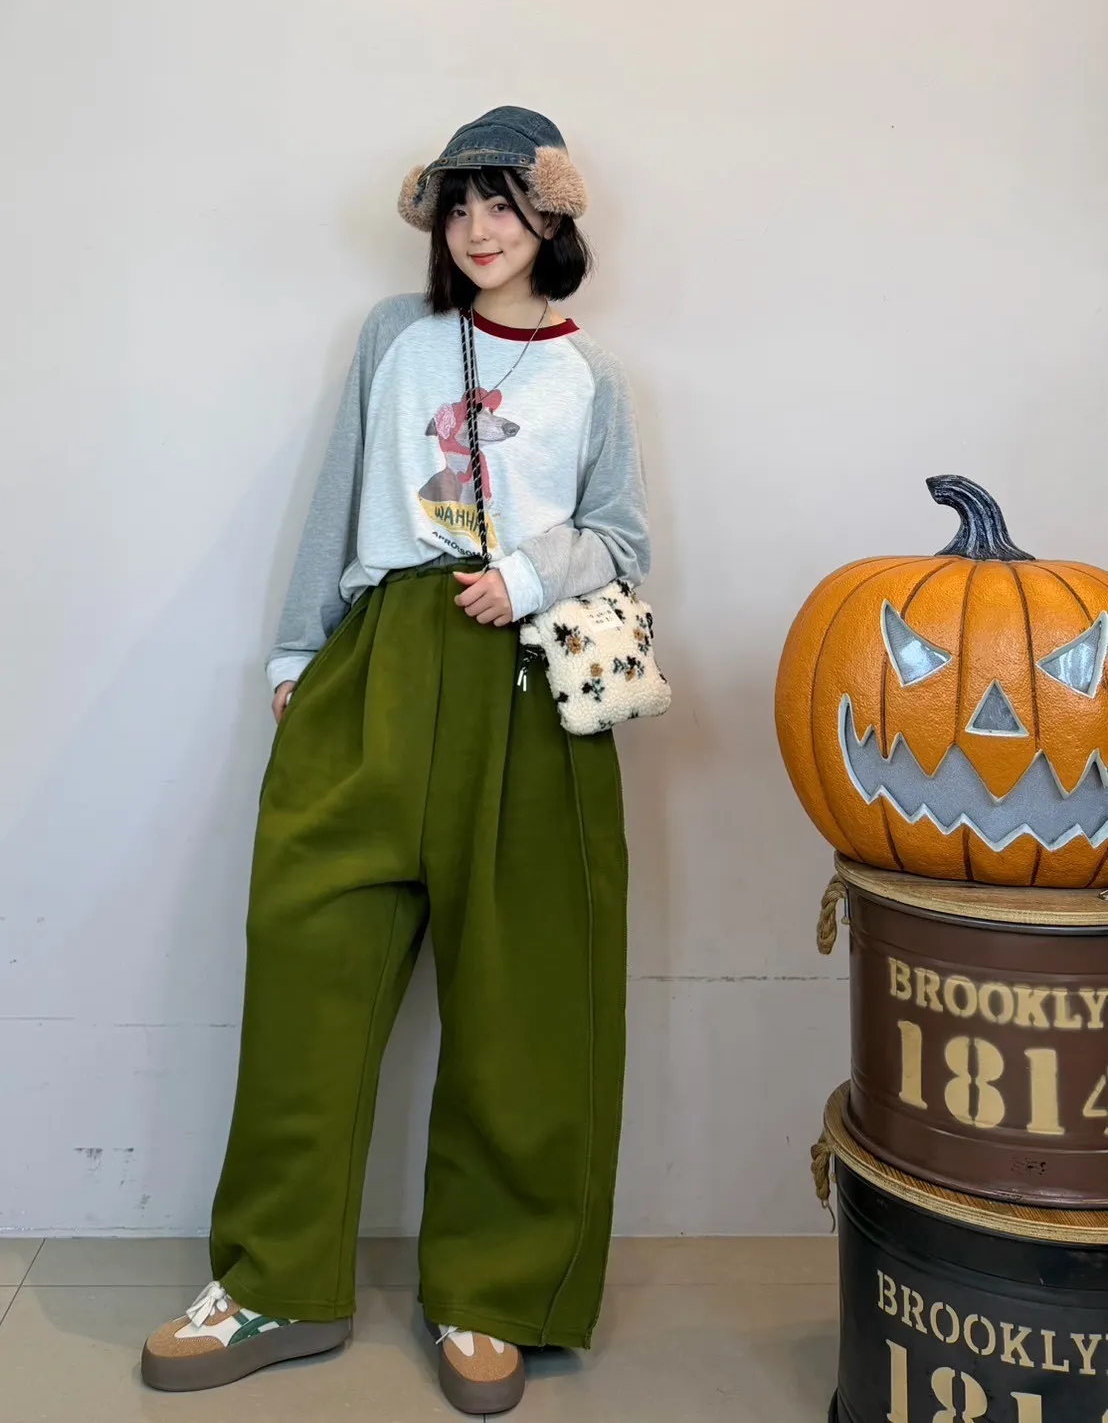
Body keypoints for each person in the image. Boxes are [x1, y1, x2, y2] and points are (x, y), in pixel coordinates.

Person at [140, 106, 650, 1415]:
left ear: (552, 216)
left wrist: (529, 572)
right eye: (460, 206)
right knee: (308, 972)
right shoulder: (396, 338)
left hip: (526, 681)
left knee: (525, 1000)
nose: (479, 229)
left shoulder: (594, 377)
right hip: (379, 657)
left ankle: (494, 1290)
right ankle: (274, 1282)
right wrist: (297, 653)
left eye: (504, 204)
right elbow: (338, 494)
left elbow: (623, 542)